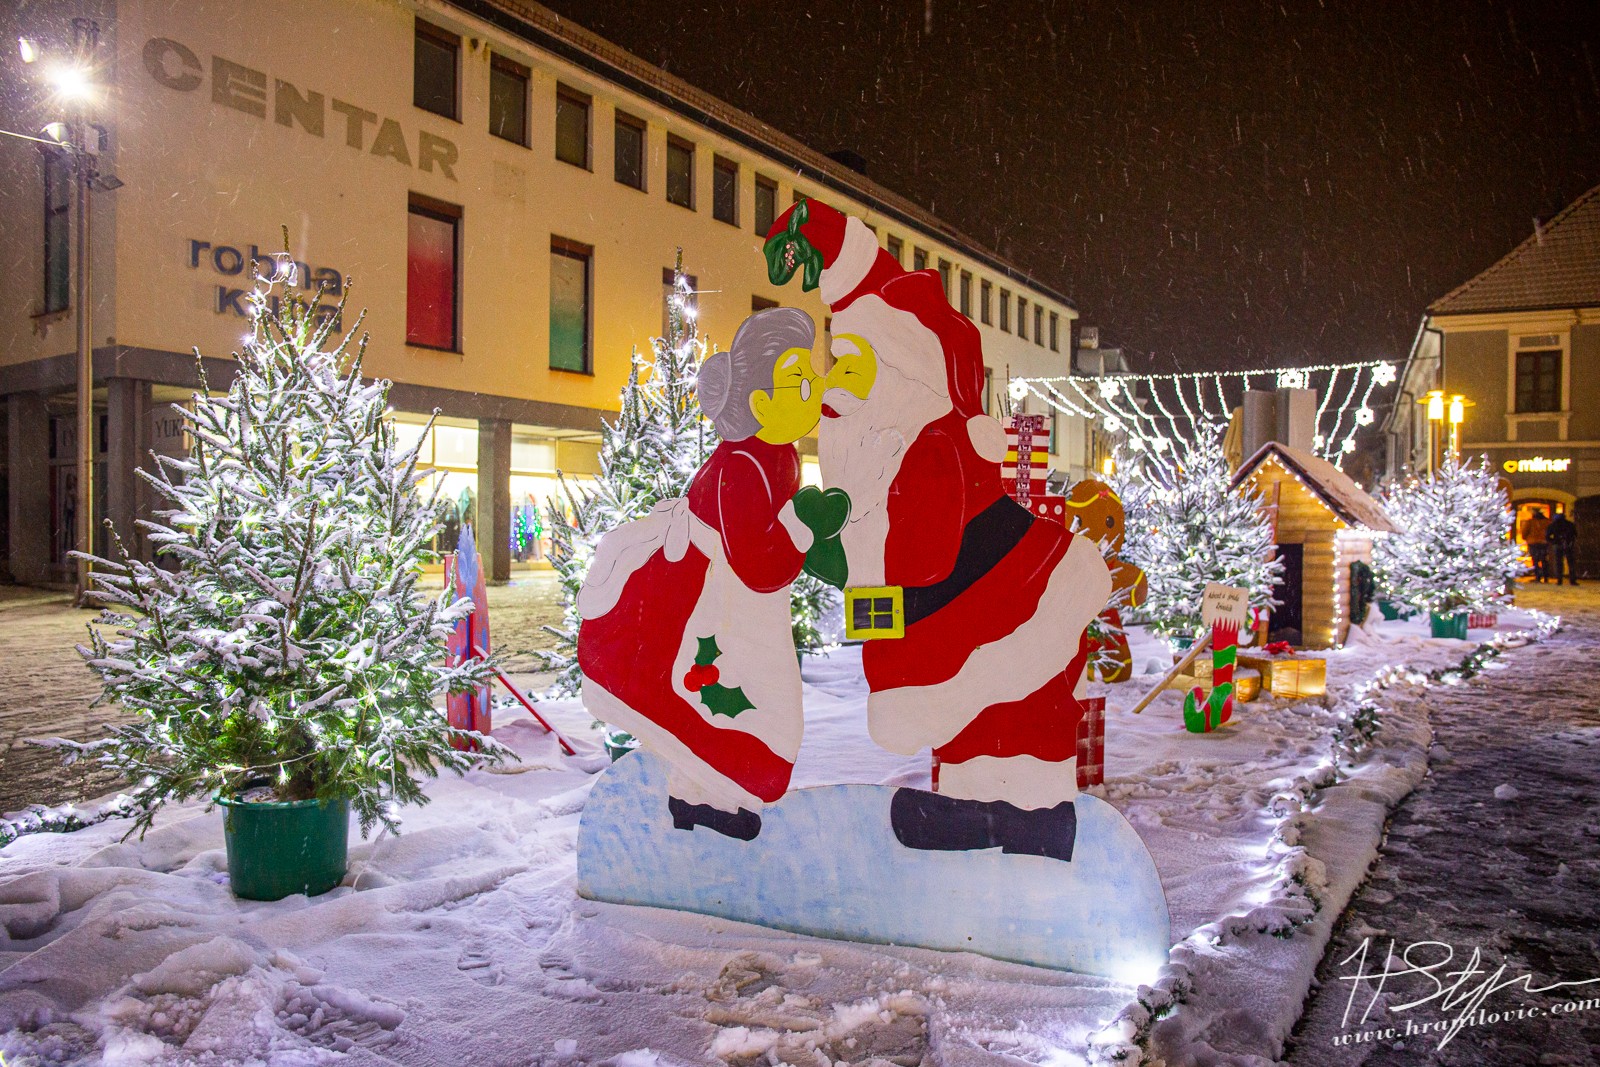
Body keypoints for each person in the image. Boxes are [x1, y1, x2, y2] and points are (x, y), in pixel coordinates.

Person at [763, 196, 1112, 863]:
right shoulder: (884, 453)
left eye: (850, 366)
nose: (833, 388)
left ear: (904, 373)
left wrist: (851, 552)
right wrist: (827, 541)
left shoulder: (930, 449)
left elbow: (920, 555)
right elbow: (880, 552)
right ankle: (976, 810)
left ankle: (1030, 820)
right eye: (837, 364)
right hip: (963, 617)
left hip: (1000, 601)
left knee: (1014, 706)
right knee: (975, 720)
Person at [577, 308, 845, 841]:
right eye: (800, 379)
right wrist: (801, 527)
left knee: (736, 709)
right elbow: (758, 566)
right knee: (736, 706)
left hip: (727, 608)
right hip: (704, 609)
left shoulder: (772, 455)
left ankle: (698, 798)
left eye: (812, 375)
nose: (816, 385)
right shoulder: (741, 467)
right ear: (760, 404)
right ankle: (699, 797)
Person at [1547, 508, 1578, 586]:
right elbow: (1575, 534)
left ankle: (1559, 580)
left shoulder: (1553, 525)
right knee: (1571, 563)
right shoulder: (1569, 524)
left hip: (1558, 545)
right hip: (1568, 545)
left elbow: (1547, 536)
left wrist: (1553, 541)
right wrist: (1570, 541)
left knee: (1558, 563)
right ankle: (1572, 580)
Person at [1521, 507, 1550, 582]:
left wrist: (1526, 538)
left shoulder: (1530, 522)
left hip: (1533, 542)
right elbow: (1549, 532)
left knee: (1535, 560)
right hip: (1544, 542)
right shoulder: (1547, 522)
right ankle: (1546, 576)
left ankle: (1537, 576)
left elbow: (1524, 532)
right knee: (1544, 559)